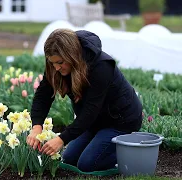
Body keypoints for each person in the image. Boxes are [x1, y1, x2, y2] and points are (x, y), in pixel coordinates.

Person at [26, 28, 142, 172]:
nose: (56, 68)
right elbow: (43, 95)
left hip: (120, 121)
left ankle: (134, 153)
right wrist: (37, 126)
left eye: (60, 62)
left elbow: (90, 110)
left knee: (88, 164)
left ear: (71, 56)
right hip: (95, 123)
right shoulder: (58, 66)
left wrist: (62, 139)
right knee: (69, 159)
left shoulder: (101, 66)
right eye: (52, 63)